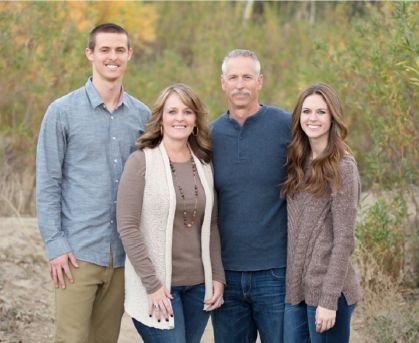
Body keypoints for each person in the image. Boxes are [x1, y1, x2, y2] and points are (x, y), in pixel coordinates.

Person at [36, 23, 150, 343]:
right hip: (76, 255)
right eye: (104, 50)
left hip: (121, 257)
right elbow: (48, 182)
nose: (112, 57)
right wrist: (55, 245)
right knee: (71, 338)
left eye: (119, 50)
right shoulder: (62, 112)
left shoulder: (142, 116)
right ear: (90, 54)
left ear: (129, 54)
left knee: (105, 339)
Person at [116, 83, 225, 343]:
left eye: (187, 112)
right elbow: (127, 226)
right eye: (172, 111)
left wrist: (218, 277)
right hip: (158, 288)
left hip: (199, 288)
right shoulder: (141, 162)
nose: (180, 118)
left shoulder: (204, 163)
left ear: (195, 119)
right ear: (161, 118)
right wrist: (152, 285)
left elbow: (210, 225)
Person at [211, 49, 291, 343]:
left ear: (260, 81)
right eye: (233, 77)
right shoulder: (210, 135)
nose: (240, 84)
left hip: (275, 273)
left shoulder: (286, 126)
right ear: (223, 82)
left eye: (247, 77)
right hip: (227, 275)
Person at [282, 83, 361, 342]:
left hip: (329, 294)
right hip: (296, 292)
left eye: (321, 112)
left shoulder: (342, 167)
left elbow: (344, 240)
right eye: (306, 111)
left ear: (332, 117)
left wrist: (328, 300)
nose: (312, 118)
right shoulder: (298, 163)